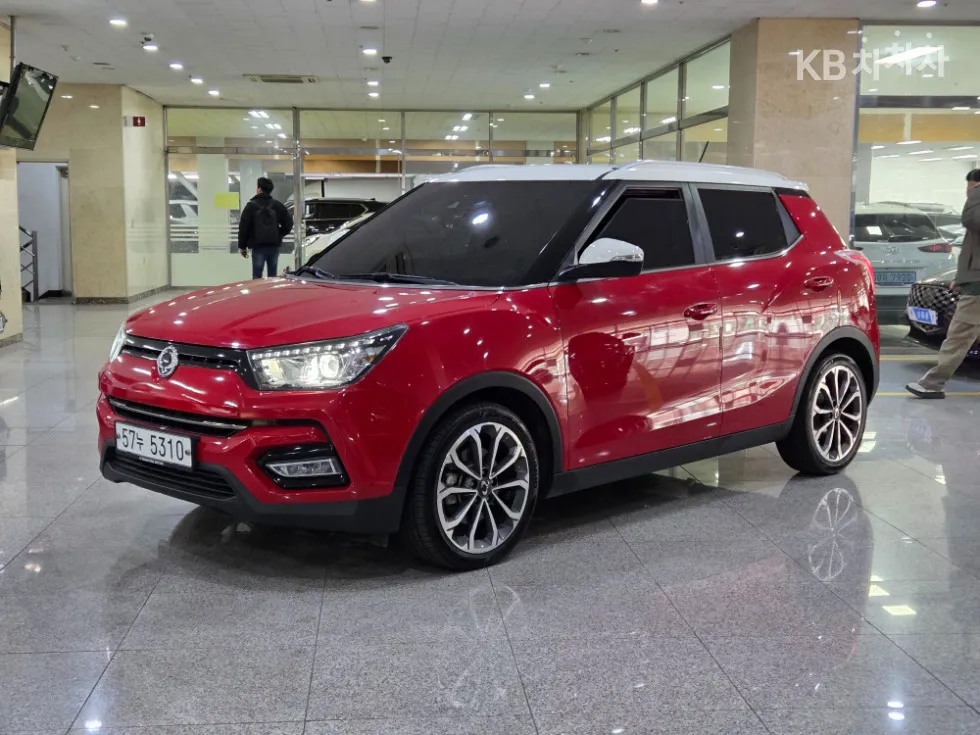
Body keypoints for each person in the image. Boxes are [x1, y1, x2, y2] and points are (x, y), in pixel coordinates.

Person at [907, 169, 980, 399]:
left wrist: (977, 192)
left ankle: (932, 383)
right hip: (973, 281)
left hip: (977, 287)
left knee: (959, 335)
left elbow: (971, 219)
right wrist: (961, 278)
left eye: (970, 186)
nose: (967, 191)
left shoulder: (976, 199)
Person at [238, 177, 293, 279]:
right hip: (273, 245)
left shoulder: (250, 206)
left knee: (257, 276)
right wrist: (279, 234)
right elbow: (289, 223)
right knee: (272, 276)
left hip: (257, 246)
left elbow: (243, 227)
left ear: (259, 188)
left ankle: (258, 289)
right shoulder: (277, 205)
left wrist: (242, 246)